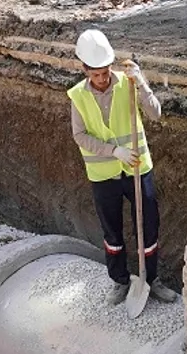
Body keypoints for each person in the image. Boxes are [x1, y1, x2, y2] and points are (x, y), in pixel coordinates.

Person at [67, 29, 178, 306]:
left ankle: (152, 280)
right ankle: (120, 281)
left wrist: (141, 83)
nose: (103, 79)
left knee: (149, 224)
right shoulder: (78, 97)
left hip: (137, 168)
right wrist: (113, 151)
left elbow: (156, 113)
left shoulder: (128, 84)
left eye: (105, 72)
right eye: (96, 74)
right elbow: (79, 136)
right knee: (112, 230)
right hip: (104, 176)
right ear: (84, 70)